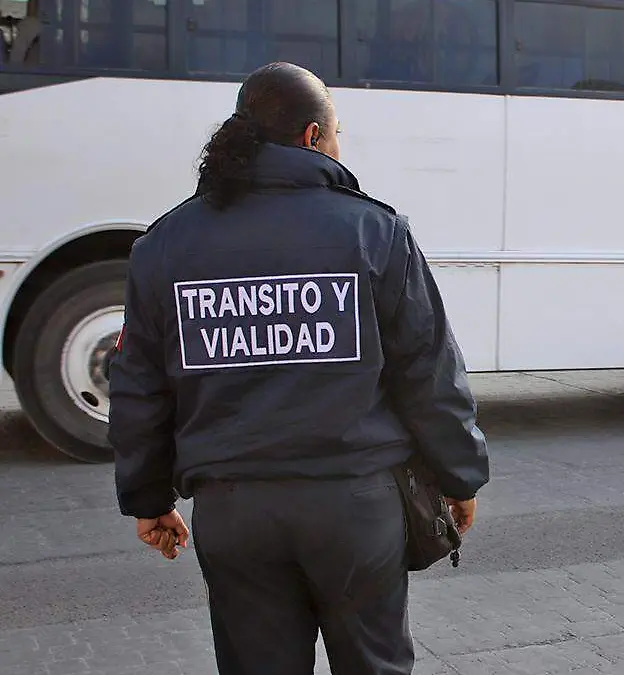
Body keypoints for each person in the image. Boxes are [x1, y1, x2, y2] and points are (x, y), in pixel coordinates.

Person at [107, 61, 490, 675]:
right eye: (337, 134)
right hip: (356, 507)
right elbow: (429, 373)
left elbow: (138, 387)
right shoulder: (375, 231)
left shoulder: (165, 244)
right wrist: (459, 476)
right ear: (313, 137)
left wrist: (147, 496)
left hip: (233, 512)